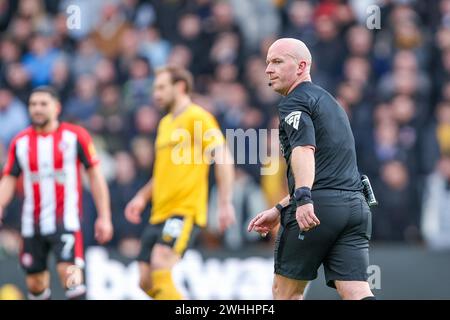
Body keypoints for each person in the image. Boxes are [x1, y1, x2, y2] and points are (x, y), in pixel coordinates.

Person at [248, 38, 375, 300]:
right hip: (355, 208)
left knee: (285, 293)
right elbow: (327, 171)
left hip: (317, 208)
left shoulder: (294, 102)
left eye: (277, 61)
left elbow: (304, 150)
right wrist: (279, 209)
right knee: (356, 291)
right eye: (267, 62)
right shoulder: (331, 103)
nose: (268, 69)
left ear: (301, 66)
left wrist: (303, 199)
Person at [125, 66, 236, 300]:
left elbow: (222, 155)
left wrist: (225, 202)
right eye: (155, 88)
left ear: (180, 87)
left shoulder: (198, 117)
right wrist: (142, 197)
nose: (156, 94)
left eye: (162, 87)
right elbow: (163, 172)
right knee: (145, 280)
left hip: (184, 209)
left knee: (160, 264)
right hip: (159, 212)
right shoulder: (165, 123)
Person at [0, 86, 113, 300]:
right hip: (32, 224)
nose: (37, 109)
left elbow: (95, 177)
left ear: (57, 108)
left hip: (66, 221)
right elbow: (9, 178)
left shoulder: (75, 137)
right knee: (35, 282)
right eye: (33, 104)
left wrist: (104, 216)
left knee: (69, 274)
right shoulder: (20, 142)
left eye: (43, 104)